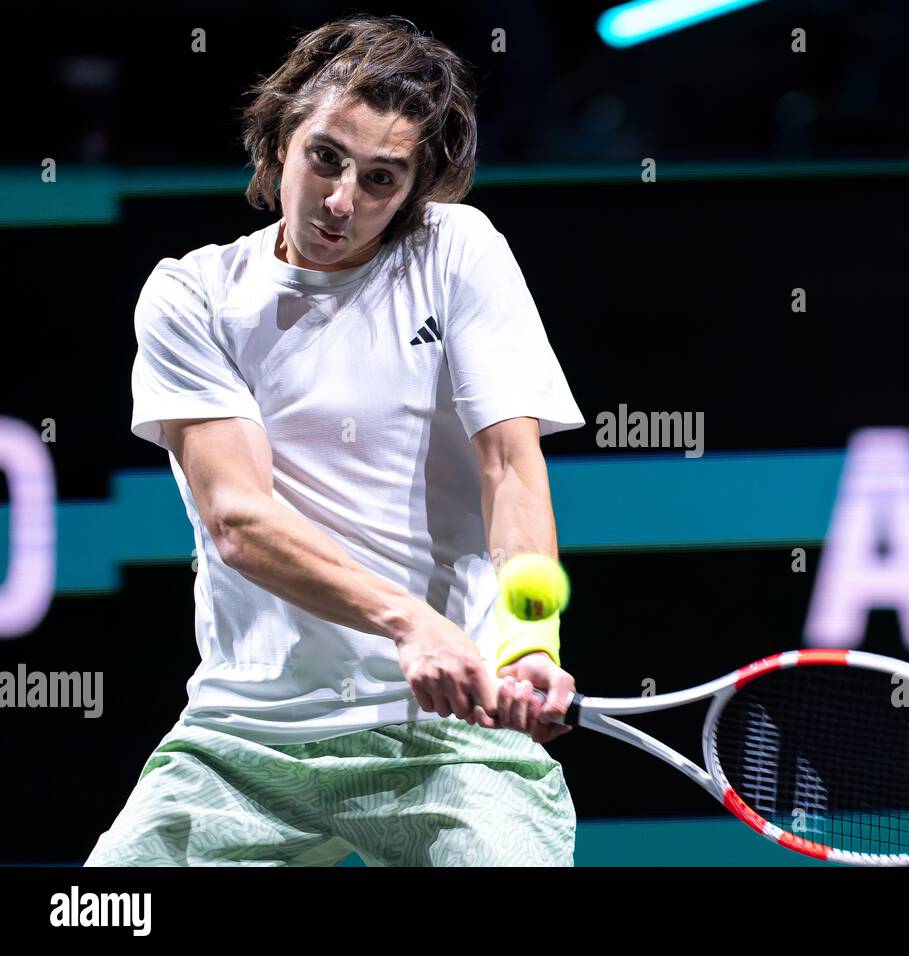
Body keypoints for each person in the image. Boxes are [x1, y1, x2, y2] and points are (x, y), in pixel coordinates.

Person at [85, 15, 583, 867]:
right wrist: (408, 623)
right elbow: (239, 518)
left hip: (446, 741)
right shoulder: (192, 296)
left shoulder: (457, 251)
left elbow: (510, 466)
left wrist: (534, 639)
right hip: (243, 745)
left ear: (416, 190)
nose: (344, 201)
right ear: (281, 136)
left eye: (382, 179)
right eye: (326, 157)